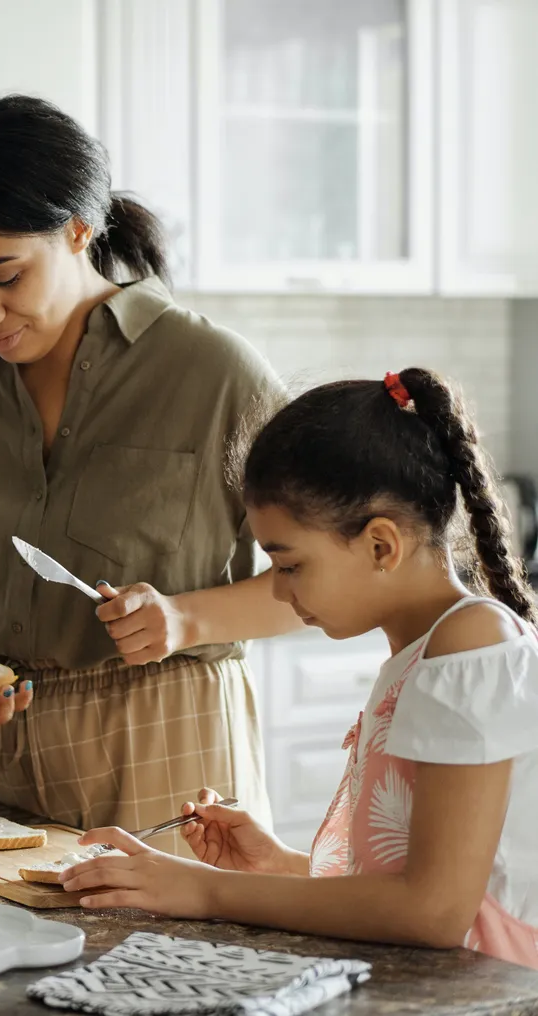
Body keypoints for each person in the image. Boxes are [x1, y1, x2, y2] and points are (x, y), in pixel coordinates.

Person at [0, 94, 303, 851]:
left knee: (177, 971)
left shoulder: (215, 373)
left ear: (79, 230)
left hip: (167, 750)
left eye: (4, 276)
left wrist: (185, 620)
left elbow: (326, 586)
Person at [62, 368, 538, 968]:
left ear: (381, 546)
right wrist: (282, 867)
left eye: (289, 565)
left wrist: (205, 890)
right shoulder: (427, 649)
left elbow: (433, 911)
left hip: (494, 992)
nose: (282, 594)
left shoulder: (468, 646)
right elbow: (400, 879)